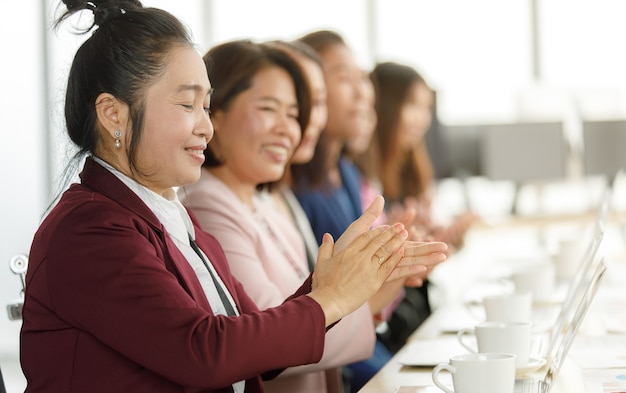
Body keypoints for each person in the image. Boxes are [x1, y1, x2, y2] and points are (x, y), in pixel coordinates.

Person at [19, 2, 426, 392]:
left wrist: (339, 281)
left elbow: (254, 340)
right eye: (186, 104)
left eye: (207, 106)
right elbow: (205, 351)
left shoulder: (169, 215)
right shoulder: (87, 231)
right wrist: (330, 297)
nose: (206, 128)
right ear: (113, 114)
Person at [178, 39, 449, 393]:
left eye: (293, 114)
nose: (289, 129)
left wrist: (385, 276)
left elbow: (316, 316)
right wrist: (363, 284)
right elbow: (273, 345)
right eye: (268, 109)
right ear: (217, 112)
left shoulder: (265, 200)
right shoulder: (208, 207)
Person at [289, 30, 399, 393]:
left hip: (358, 348)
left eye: (361, 77)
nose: (362, 92)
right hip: (338, 357)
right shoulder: (295, 186)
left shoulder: (347, 173)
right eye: (343, 77)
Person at [352, 61, 478, 353]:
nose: (421, 119)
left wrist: (441, 244)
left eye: (426, 108)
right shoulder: (361, 179)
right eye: (412, 105)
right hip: (383, 329)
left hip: (406, 315)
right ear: (385, 106)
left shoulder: (410, 171)